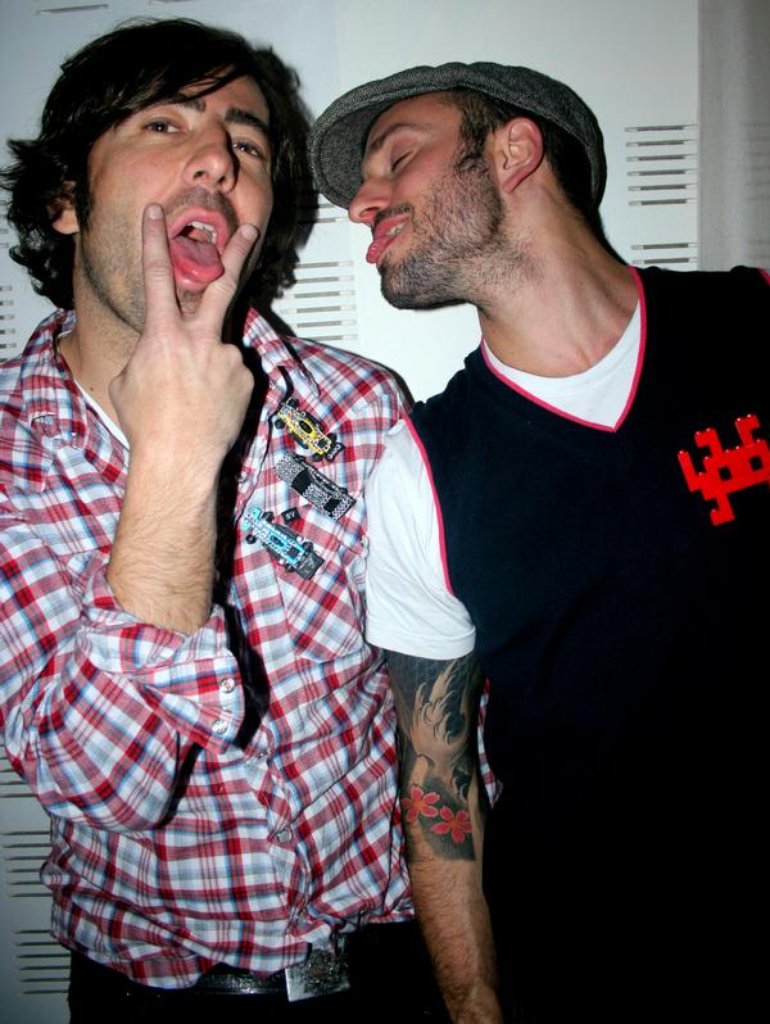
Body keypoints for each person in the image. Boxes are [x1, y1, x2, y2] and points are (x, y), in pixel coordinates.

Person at [0, 20, 448, 1024]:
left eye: (246, 142)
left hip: (392, 971)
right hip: (161, 997)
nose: (218, 159)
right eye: (165, 125)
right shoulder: (9, 454)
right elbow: (107, 785)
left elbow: (441, 712)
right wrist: (172, 458)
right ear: (65, 199)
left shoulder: (358, 408)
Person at [309, 62, 770, 1023]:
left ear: (515, 151)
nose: (360, 203)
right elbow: (436, 783)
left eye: (397, 157)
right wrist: (474, 1003)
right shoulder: (424, 470)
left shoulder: (756, 327)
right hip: (577, 965)